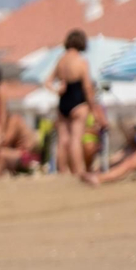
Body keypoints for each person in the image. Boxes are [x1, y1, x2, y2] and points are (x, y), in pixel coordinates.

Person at [48, 29, 95, 180]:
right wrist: (92, 105)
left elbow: (47, 82)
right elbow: (87, 87)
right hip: (78, 102)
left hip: (63, 102)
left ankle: (62, 171)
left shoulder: (60, 61)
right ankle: (78, 170)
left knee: (63, 140)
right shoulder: (81, 61)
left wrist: (57, 91)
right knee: (76, 138)